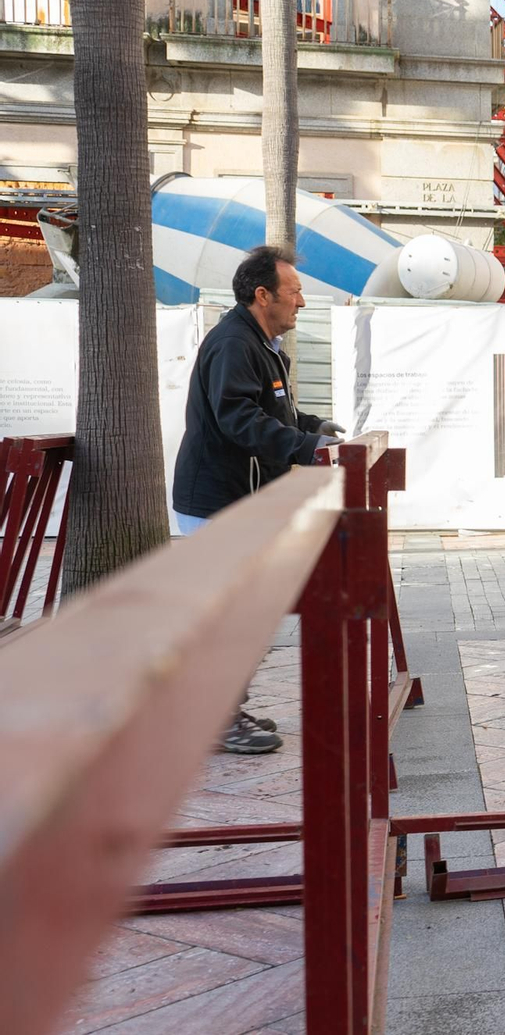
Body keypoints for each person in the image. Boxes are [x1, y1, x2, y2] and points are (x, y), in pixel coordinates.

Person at [172, 245, 344, 754]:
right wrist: (307, 446)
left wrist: (312, 426)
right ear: (262, 294)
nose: (303, 303)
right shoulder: (233, 343)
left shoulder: (261, 344)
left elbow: (270, 410)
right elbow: (238, 419)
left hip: (240, 501)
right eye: (294, 292)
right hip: (217, 503)